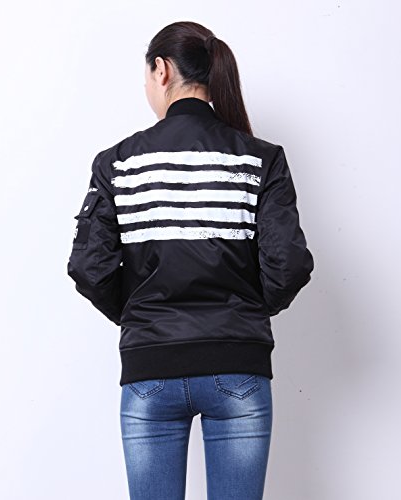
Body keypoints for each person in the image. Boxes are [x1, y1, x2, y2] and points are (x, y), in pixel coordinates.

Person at [67, 20, 314, 500]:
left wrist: (142, 314)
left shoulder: (118, 162)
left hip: (150, 367)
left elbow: (88, 267)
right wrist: (243, 310)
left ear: (161, 70)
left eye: (146, 75)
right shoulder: (260, 159)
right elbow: (289, 265)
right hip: (238, 363)